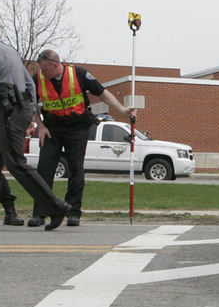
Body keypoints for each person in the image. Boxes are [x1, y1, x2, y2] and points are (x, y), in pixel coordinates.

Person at [0, 19, 69, 231]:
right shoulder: (9, 51)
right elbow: (29, 84)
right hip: (16, 111)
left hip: (8, 113)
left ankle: (56, 206)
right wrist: (29, 113)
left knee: (16, 164)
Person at [26, 49, 138, 227]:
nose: (42, 73)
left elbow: (102, 93)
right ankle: (40, 212)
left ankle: (73, 212)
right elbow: (30, 104)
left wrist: (122, 110)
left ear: (56, 65)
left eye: (45, 70)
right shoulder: (38, 79)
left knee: (76, 168)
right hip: (52, 129)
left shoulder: (79, 74)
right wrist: (40, 126)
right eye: (40, 70)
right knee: (44, 168)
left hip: (77, 128)